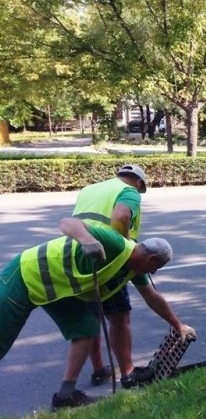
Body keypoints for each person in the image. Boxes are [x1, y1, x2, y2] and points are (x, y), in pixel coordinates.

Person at [0, 218, 196, 410]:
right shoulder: (116, 243)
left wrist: (179, 325)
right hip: (24, 276)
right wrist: (88, 240)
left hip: (56, 288)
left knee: (86, 329)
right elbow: (67, 223)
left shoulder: (134, 269)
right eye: (156, 268)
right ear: (151, 259)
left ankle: (64, 397)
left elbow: (153, 298)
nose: (154, 273)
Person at [72, 163, 151, 389]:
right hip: (107, 257)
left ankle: (99, 370)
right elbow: (121, 217)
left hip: (79, 255)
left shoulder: (90, 188)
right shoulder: (129, 191)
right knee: (119, 318)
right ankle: (128, 374)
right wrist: (125, 247)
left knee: (92, 316)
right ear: (139, 182)